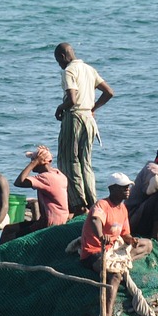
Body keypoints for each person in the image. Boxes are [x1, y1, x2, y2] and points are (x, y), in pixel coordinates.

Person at [79, 172, 153, 316]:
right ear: (112, 189)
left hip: (113, 249)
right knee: (115, 275)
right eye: (123, 188)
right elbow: (95, 219)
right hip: (94, 252)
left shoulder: (123, 209)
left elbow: (124, 233)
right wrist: (101, 236)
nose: (127, 190)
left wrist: (131, 240)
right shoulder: (102, 205)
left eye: (128, 187)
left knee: (147, 245)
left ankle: (123, 260)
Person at [53, 42, 114, 215]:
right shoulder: (89, 69)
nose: (59, 64)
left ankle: (78, 203)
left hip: (74, 118)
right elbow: (109, 92)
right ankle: (91, 199)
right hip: (88, 118)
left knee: (68, 160)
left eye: (58, 61)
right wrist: (93, 108)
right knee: (85, 161)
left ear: (63, 57)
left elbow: (71, 99)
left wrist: (60, 107)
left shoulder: (69, 71)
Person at [0, 145, 70, 245]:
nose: (31, 162)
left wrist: (33, 163)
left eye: (33, 159)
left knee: (10, 236)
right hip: (53, 220)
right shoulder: (57, 173)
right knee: (8, 229)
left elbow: (19, 182)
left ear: (42, 162)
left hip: (49, 224)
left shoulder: (47, 178)